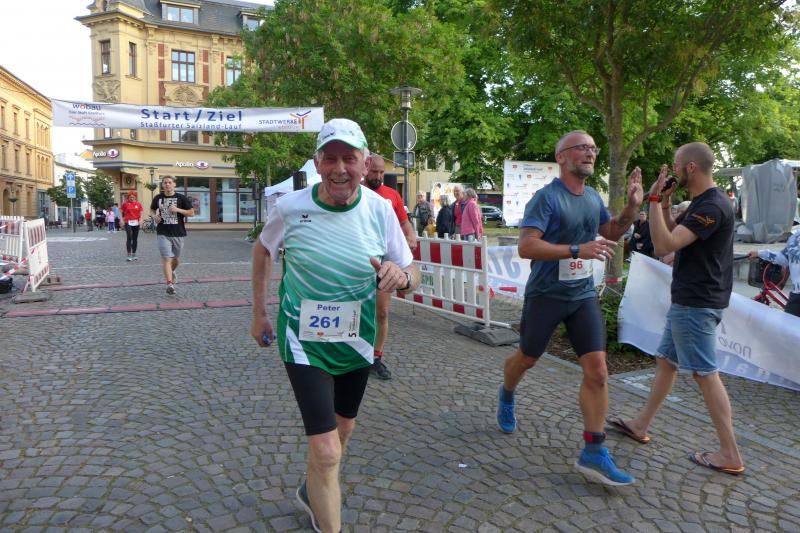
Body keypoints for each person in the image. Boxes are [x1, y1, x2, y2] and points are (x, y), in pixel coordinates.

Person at [250, 118, 420, 533]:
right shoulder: (291, 207)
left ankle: (313, 490)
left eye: (349, 158)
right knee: (327, 451)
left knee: (343, 429)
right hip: (302, 339)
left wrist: (401, 277)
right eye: (330, 159)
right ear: (316, 163)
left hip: (356, 340)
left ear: (365, 163)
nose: (339, 168)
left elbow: (412, 271)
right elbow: (263, 250)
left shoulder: (380, 209)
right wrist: (259, 312)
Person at [496, 130, 642, 486]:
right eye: (582, 148)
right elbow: (527, 247)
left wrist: (631, 208)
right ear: (561, 156)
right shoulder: (546, 199)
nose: (590, 153)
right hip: (546, 294)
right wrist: (577, 250)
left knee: (598, 371)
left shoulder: (592, 197)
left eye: (593, 148)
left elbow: (611, 230)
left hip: (582, 295)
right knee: (527, 358)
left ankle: (593, 450)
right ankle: (507, 393)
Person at [609, 142, 745, 476]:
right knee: (666, 361)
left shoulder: (712, 204)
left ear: (691, 168)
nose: (673, 169)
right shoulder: (704, 201)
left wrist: (654, 200)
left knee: (705, 374)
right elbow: (672, 232)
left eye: (676, 164)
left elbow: (663, 245)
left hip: (697, 302)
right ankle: (641, 424)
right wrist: (665, 202)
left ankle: (730, 453)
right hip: (690, 298)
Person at [363, 154, 417, 380]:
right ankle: (355, 353)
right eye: (374, 172)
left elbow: (404, 222)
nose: (378, 176)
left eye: (381, 172)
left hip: (385, 263)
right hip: (361, 261)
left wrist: (410, 235)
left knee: (382, 312)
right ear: (365, 169)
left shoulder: (392, 195)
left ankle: (376, 357)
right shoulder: (356, 192)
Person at [150, 175, 195, 295]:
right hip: (163, 232)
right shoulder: (158, 198)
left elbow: (191, 213)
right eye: (165, 182)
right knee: (167, 258)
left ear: (174, 184)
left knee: (175, 260)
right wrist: (154, 216)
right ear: (162, 185)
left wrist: (178, 210)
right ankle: (169, 284)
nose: (167, 184)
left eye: (170, 182)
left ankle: (172, 271)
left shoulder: (181, 198)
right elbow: (152, 210)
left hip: (178, 233)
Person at [749, 231, 800, 317]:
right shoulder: (795, 237)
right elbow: (784, 258)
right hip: (796, 295)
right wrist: (760, 253)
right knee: (788, 323)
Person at [121, 192, 144, 261]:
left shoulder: (138, 204)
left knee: (135, 238)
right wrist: (121, 220)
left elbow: (140, 213)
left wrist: (141, 219)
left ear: (135, 197)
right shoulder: (125, 204)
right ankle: (129, 254)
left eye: (133, 197)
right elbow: (121, 212)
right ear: (128, 197)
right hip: (128, 222)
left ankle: (134, 254)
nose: (131, 198)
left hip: (136, 222)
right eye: (130, 197)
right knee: (129, 236)